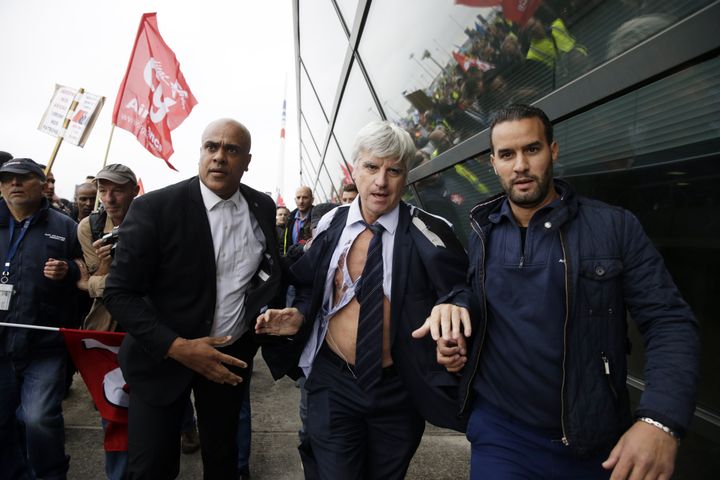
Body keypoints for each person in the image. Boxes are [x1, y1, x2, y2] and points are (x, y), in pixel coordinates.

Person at [431, 104, 699, 479]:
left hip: (593, 438)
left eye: (532, 149)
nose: (520, 165)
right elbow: (473, 293)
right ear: (493, 163)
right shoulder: (482, 230)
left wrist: (660, 420)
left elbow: (669, 321)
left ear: (553, 151)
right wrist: (454, 310)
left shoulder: (614, 227)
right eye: (507, 155)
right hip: (500, 434)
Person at [256, 121, 471, 479]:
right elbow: (309, 284)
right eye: (372, 167)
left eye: (394, 170)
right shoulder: (330, 224)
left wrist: (453, 310)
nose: (381, 181)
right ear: (354, 169)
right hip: (333, 381)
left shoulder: (429, 230)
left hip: (398, 390)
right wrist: (300, 315)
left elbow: (461, 289)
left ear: (407, 176)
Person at [103, 118, 283, 479]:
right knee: (151, 468)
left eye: (231, 150)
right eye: (211, 147)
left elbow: (270, 271)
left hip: (226, 359)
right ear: (200, 153)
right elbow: (119, 293)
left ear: (247, 161)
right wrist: (177, 347)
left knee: (223, 461)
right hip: (159, 360)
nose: (219, 157)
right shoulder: (155, 208)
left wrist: (262, 321)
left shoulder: (262, 207)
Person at [0, 158, 82, 480]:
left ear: (42, 182)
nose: (14, 184)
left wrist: (69, 270)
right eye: (7, 179)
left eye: (23, 178)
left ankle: (50, 474)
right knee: (2, 420)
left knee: (38, 418)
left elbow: (85, 270)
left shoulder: (64, 225)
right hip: (1, 344)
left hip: (44, 343)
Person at [76, 163, 139, 480]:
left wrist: (100, 280)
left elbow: (152, 282)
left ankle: (186, 424)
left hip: (145, 323)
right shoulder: (90, 226)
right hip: (107, 326)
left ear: (134, 190)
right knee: (114, 405)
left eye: (116, 189)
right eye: (103, 190)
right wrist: (105, 266)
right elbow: (95, 286)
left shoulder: (149, 219)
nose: (109, 197)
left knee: (164, 394)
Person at [281, 186, 313, 264]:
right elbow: (283, 243)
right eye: (298, 198)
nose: (301, 201)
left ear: (312, 200)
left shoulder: (316, 218)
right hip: (289, 265)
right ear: (295, 200)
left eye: (305, 198)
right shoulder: (290, 218)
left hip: (307, 266)